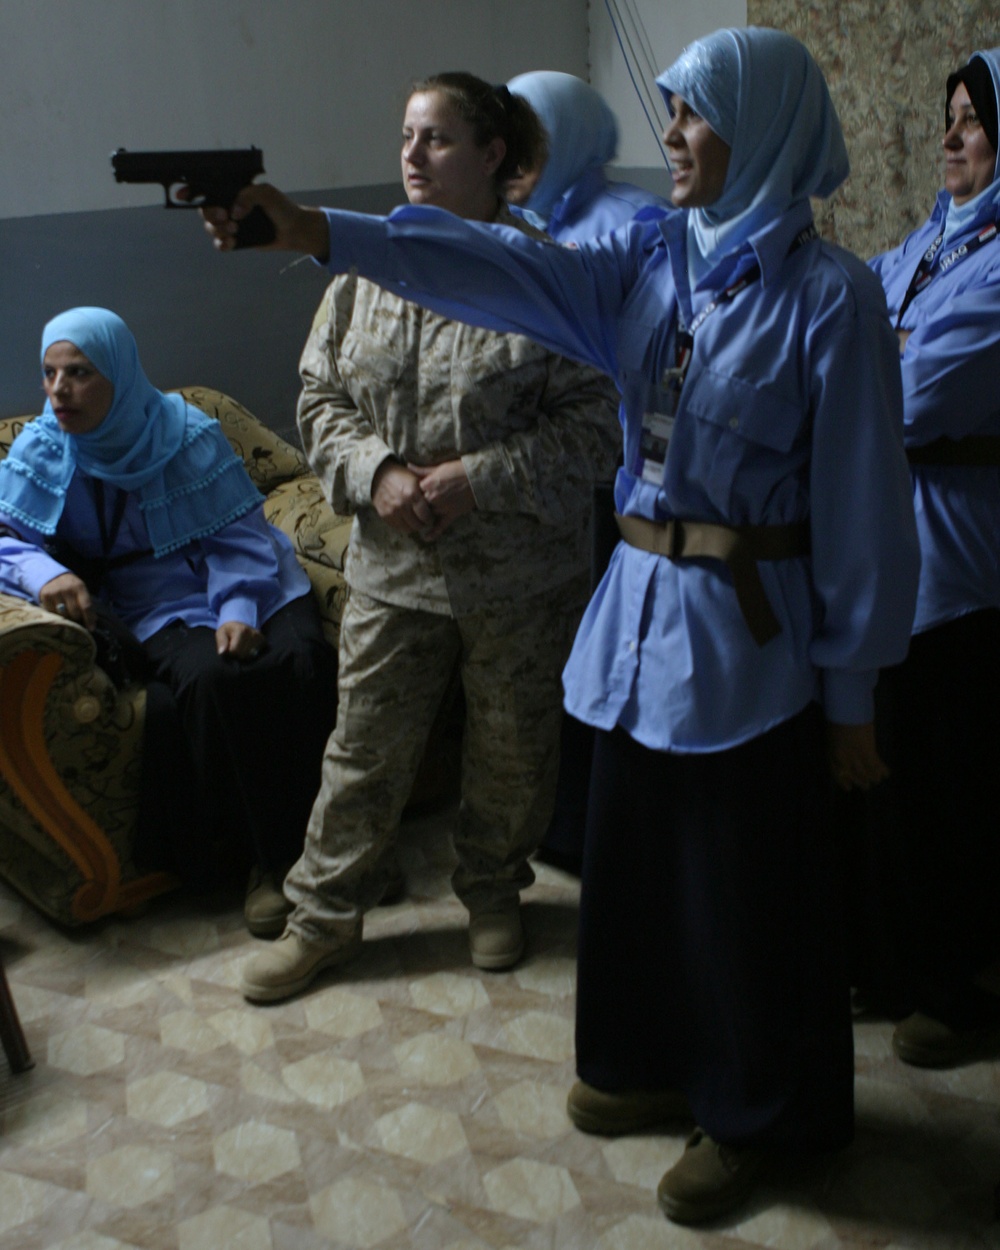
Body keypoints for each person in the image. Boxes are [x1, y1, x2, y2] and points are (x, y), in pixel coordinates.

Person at [200, 28, 920, 1225]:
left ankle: (758, 1114)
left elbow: (862, 514)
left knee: (740, 892)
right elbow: (487, 267)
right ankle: (645, 1063)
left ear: (767, 132)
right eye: (673, 112)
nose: (672, 138)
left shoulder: (826, 300)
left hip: (749, 645)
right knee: (635, 877)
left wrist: (851, 697)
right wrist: (320, 230)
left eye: (694, 116)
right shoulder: (651, 272)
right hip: (633, 630)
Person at [236, 72, 620, 1004]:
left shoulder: (547, 276)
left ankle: (493, 891)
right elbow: (320, 397)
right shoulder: (365, 269)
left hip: (521, 573)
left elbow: (598, 423)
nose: (412, 155)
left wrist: (474, 479)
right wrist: (380, 471)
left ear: (494, 157)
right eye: (407, 135)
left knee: (516, 749)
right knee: (361, 750)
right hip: (394, 565)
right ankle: (323, 918)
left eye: (438, 138)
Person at [0, 308, 337, 936]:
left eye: (78, 373)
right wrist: (43, 575)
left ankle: (335, 849)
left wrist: (237, 609)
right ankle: (267, 864)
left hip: (244, 572)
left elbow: (239, 536)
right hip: (149, 602)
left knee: (300, 661)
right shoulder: (43, 448)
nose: (58, 390)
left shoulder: (184, 432)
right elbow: (3, 539)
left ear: (119, 374)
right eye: (49, 373)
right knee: (214, 681)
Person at [857, 47, 1000, 1066]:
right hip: (888, 546)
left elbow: (908, 400)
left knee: (954, 783)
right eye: (947, 116)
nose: (949, 138)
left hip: (960, 555)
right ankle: (901, 958)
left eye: (973, 121)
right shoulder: (923, 246)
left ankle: (964, 984)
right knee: (891, 772)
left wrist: (884, 359)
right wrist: (885, 351)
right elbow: (846, 330)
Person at [505, 71, 673, 878]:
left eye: (534, 142)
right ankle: (553, 820)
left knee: (606, 651)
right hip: (533, 488)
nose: (519, 162)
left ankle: (588, 827)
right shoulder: (517, 225)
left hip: (612, 479)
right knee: (549, 658)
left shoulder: (635, 225)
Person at [504, 70, 670, 242]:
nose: (511, 160)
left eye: (528, 141)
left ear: (570, 140)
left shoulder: (645, 223)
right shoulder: (504, 225)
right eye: (507, 142)